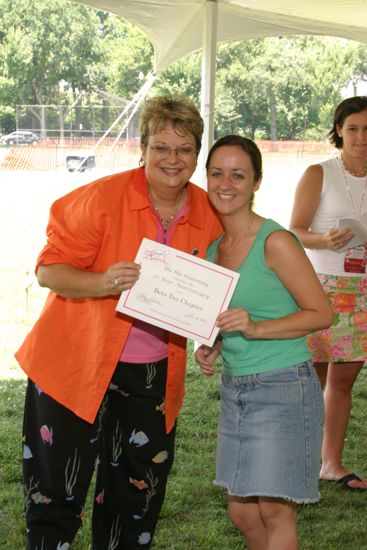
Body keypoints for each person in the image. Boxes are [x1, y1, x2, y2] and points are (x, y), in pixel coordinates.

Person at [16, 94, 223, 549]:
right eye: (161, 147)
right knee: (56, 493)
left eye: (185, 149)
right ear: (142, 148)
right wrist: (105, 282)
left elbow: (213, 293)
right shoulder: (100, 199)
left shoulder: (210, 214)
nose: (173, 159)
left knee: (136, 495)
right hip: (74, 363)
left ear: (197, 154)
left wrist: (212, 338)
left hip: (151, 372)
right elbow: (49, 270)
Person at [195, 135, 332, 549]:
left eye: (238, 175)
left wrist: (254, 328)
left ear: (256, 181)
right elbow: (229, 318)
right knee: (242, 511)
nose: (226, 184)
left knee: (275, 511)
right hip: (236, 388)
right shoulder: (216, 249)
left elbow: (321, 314)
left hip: (282, 385)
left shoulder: (276, 242)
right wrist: (214, 345)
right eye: (217, 173)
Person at [289, 96, 367, 492]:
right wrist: (325, 238)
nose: (360, 136)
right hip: (320, 286)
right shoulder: (318, 173)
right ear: (338, 130)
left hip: (363, 290)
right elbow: (294, 232)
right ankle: (296, 460)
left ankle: (331, 464)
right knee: (310, 377)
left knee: (343, 381)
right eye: (353, 128)